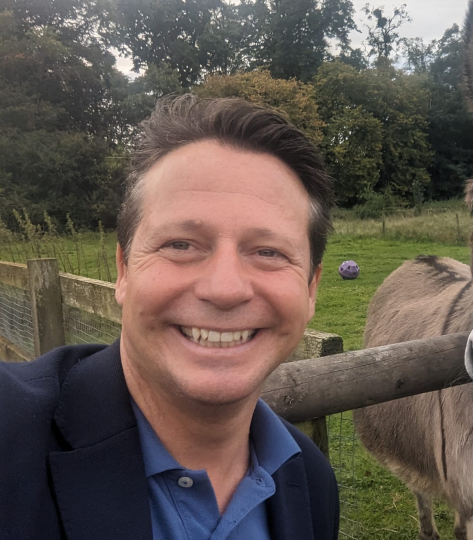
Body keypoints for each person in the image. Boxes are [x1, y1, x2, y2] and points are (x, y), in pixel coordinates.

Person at [0, 95, 339, 540]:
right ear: (123, 270)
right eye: (180, 244)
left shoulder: (312, 483)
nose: (225, 289)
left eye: (268, 252)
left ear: (311, 289)